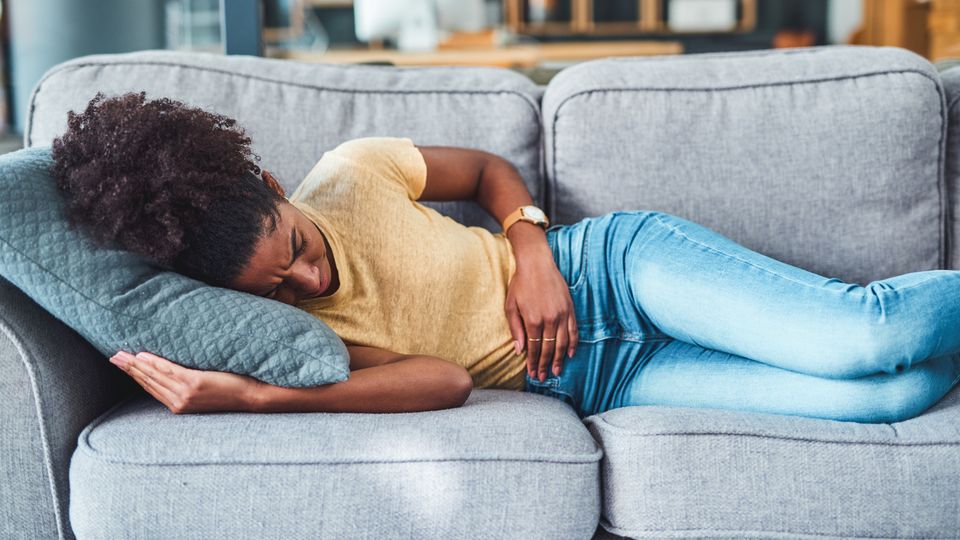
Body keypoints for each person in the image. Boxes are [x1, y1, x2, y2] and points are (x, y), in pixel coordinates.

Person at [52, 92, 960, 424]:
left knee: (861, 340)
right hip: (599, 381)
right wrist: (254, 397)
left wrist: (530, 247)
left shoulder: (353, 173)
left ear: (274, 182)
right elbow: (445, 382)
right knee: (883, 397)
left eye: (294, 249)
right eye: (281, 287)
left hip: (610, 268)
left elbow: (487, 170)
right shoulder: (276, 332)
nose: (308, 281)